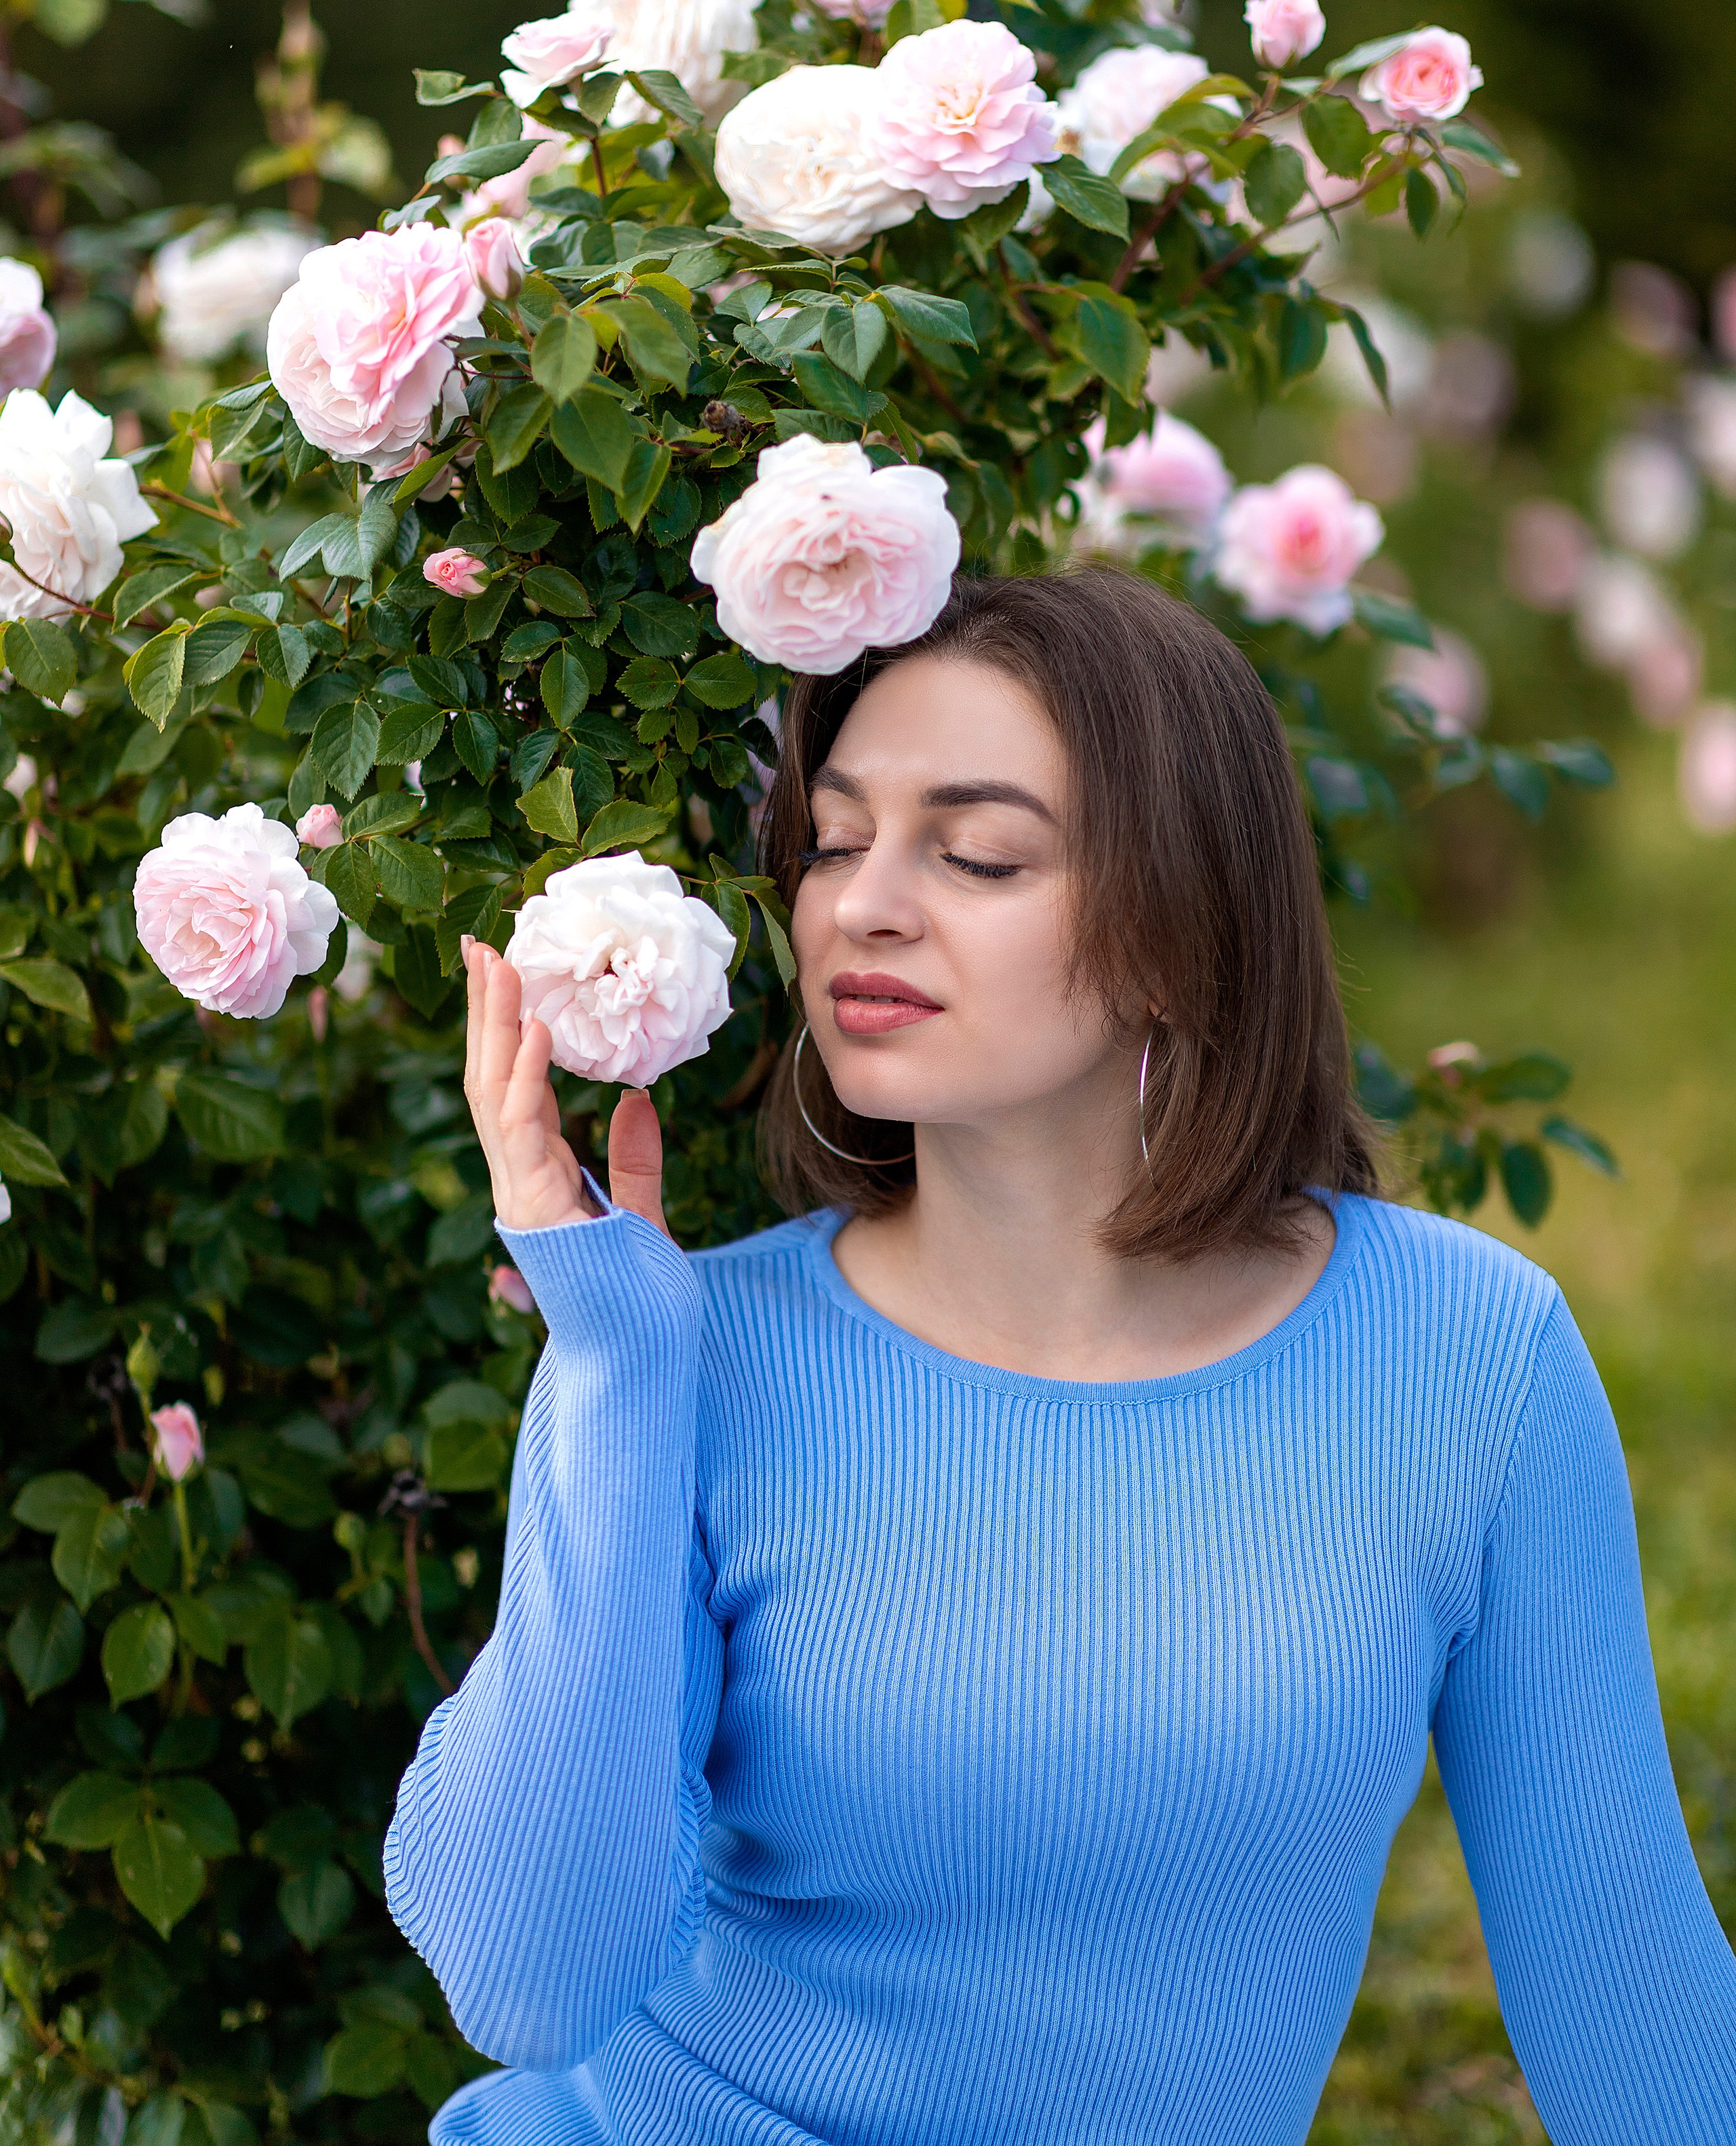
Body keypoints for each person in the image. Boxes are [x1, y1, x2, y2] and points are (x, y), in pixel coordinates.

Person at [384, 570, 1736, 2145]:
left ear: (1176, 931)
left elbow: (1620, 1979)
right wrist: (611, 1371)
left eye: (977, 853)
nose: (861, 904)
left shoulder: (1465, 1360)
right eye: (830, 840)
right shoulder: (690, 1352)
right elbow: (530, 1982)